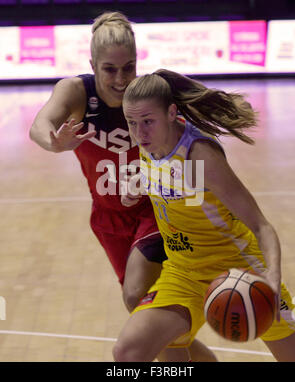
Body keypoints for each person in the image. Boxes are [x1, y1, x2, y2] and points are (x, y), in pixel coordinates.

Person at [29, 13, 216, 362]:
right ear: (92, 65)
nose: (120, 78)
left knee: (136, 297)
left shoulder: (145, 94)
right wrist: (55, 142)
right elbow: (40, 124)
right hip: (108, 218)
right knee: (144, 309)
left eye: (128, 67)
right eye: (109, 69)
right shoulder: (75, 91)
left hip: (153, 209)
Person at [113, 69, 295, 362]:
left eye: (147, 122)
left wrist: (272, 279)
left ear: (172, 113)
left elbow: (261, 226)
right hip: (183, 272)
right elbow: (168, 179)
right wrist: (135, 185)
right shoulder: (147, 143)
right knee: (128, 353)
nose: (139, 132)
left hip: (239, 271)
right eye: (131, 123)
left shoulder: (199, 155)